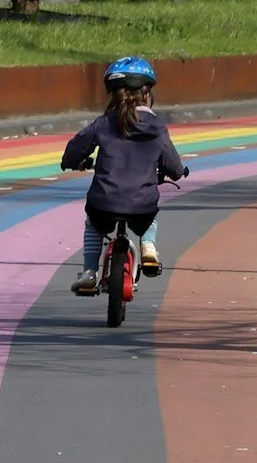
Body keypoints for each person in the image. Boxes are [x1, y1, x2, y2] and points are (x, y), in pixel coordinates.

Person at [61, 56, 187, 292]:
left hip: (104, 203)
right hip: (142, 205)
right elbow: (172, 163)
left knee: (94, 224)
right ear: (147, 93)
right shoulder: (157, 126)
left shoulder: (104, 123)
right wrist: (179, 172)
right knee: (149, 216)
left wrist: (71, 162)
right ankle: (148, 247)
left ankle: (89, 272)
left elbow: (76, 147)